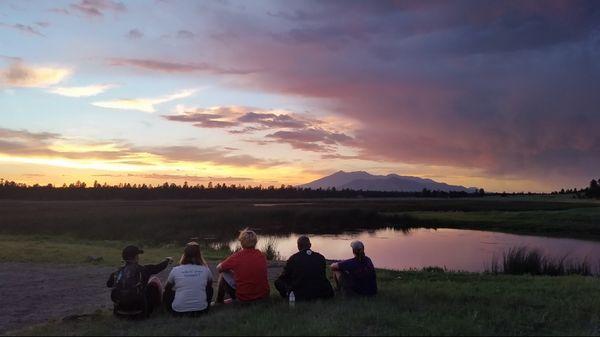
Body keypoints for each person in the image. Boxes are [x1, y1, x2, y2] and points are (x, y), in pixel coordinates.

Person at [107, 245, 172, 318]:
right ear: (136, 257)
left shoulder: (117, 273)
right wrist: (167, 261)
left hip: (119, 313)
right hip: (140, 313)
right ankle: (159, 307)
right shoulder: (143, 270)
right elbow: (158, 267)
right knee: (154, 282)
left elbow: (109, 284)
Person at [215, 229, 270, 304]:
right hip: (263, 296)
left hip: (244, 298)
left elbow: (219, 268)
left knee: (223, 273)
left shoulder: (237, 256)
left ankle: (219, 301)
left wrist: (230, 270)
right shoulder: (262, 255)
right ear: (255, 241)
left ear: (241, 242)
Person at [275, 235, 334, 301]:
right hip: (321, 293)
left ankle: (288, 296)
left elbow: (284, 277)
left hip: (300, 294)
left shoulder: (293, 258)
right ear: (310, 245)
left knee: (278, 282)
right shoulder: (320, 258)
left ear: (298, 246)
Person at [163, 242, 214, 317]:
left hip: (178, 312)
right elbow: (209, 286)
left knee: (167, 291)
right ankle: (205, 305)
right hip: (201, 311)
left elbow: (167, 288)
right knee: (210, 289)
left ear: (184, 255)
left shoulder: (175, 270)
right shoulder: (205, 270)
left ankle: (168, 309)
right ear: (199, 255)